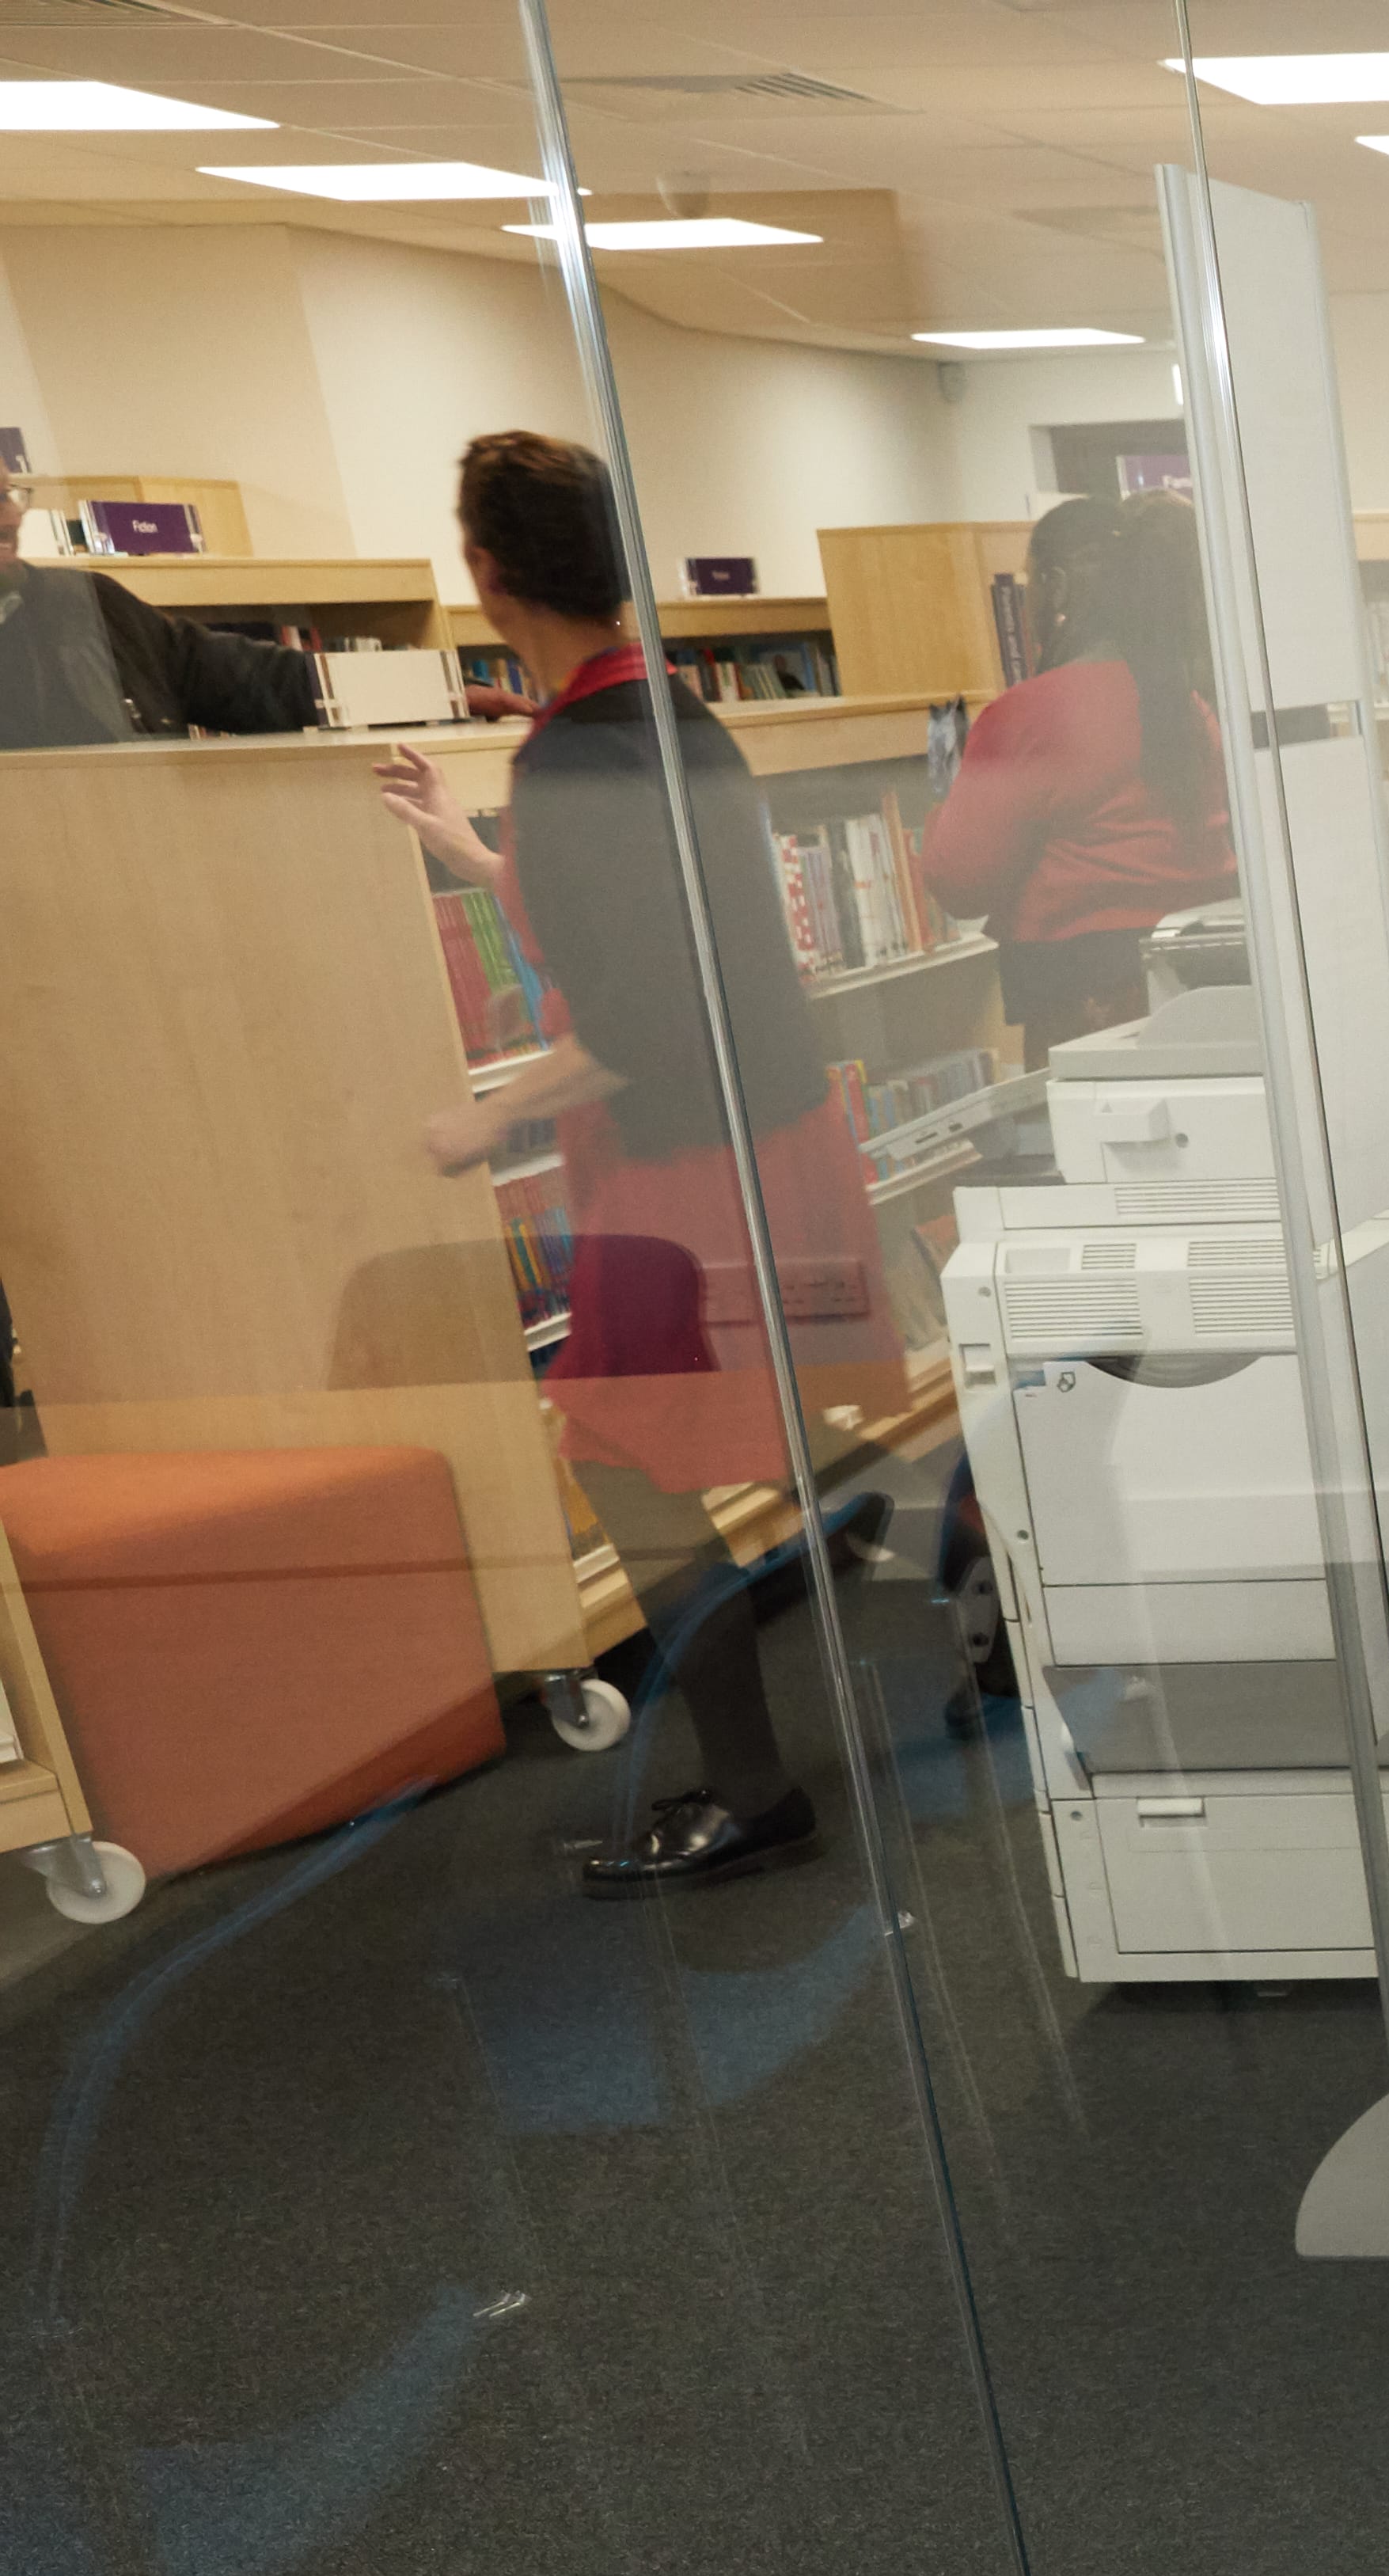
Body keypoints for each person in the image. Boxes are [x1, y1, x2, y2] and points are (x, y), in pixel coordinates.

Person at [378, 430, 891, 1898]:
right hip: (767, 1135)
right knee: (759, 1438)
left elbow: (643, 1014)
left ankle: (750, 1790)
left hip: (682, 1166)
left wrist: (486, 1121)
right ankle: (910, 1690)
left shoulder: (577, 754)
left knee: (627, 1467)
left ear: (484, 574)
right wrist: (468, 847)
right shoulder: (662, 715)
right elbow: (640, 920)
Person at [918, 491, 1235, 1057]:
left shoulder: (1028, 715)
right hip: (1205, 998)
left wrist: (945, 785)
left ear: (1058, 587)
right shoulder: (1187, 703)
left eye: (1031, 582)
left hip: (1085, 1012)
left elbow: (959, 884)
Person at [0, 453, 326, 751]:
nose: (13, 518)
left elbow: (241, 677)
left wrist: (359, 685)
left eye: (8, 495)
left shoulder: (82, 603)